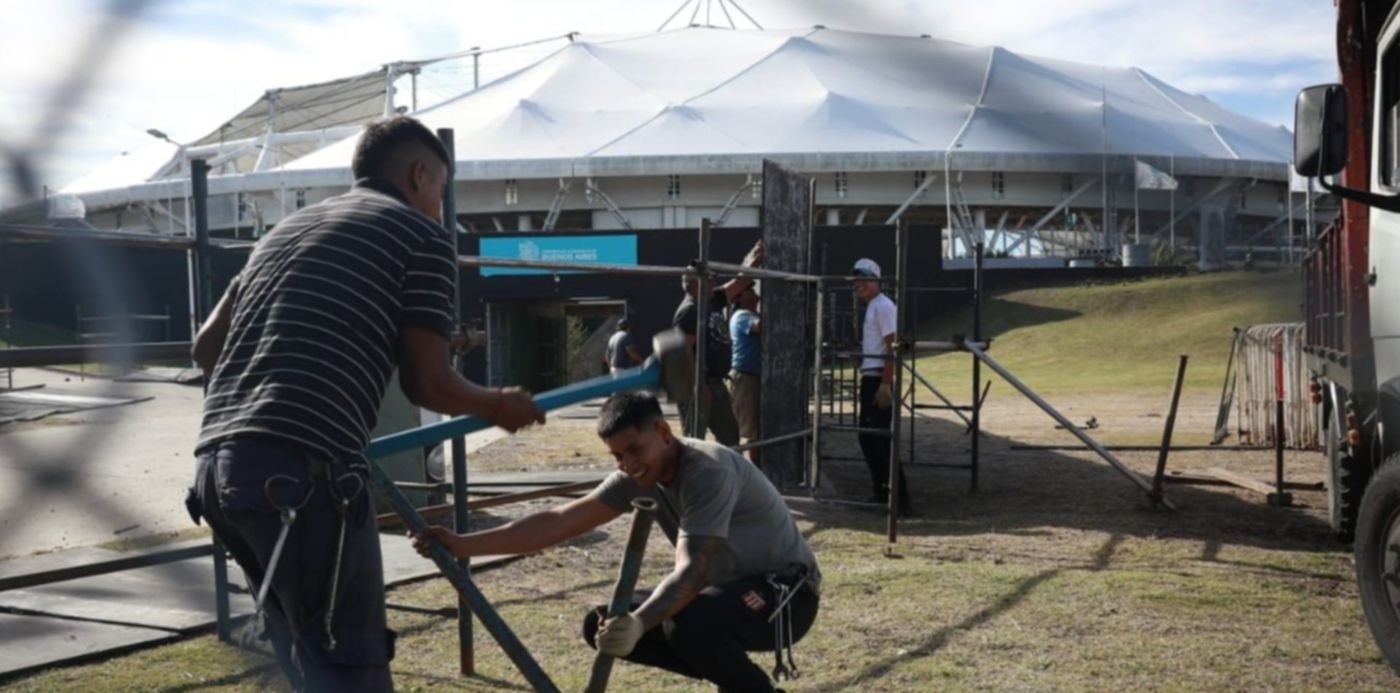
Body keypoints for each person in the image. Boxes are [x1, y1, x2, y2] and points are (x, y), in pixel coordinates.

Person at [186, 116, 545, 692]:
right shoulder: (419, 236)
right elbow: (428, 384)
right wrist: (497, 403)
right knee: (349, 664)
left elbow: (206, 348)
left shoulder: (283, 232)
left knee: (306, 661)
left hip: (217, 474)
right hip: (301, 477)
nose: (439, 208)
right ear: (419, 175)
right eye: (441, 190)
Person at [412, 391, 820, 693]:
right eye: (617, 457)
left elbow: (692, 573)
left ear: (663, 432)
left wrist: (640, 623)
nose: (628, 465)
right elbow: (559, 521)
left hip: (786, 596)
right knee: (602, 623)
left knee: (685, 625)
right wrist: (461, 544)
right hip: (725, 597)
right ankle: (737, 681)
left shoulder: (707, 472)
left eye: (634, 450)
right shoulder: (637, 475)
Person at [673, 240, 763, 446]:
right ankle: (693, 468)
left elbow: (739, 282)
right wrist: (699, 384)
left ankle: (726, 467)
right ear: (695, 284)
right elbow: (683, 354)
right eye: (710, 279)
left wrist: (755, 257)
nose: (714, 283)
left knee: (730, 436)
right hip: (697, 385)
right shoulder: (689, 311)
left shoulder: (711, 300)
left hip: (715, 382)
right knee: (695, 439)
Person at [852, 257, 910, 513]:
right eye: (856, 279)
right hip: (871, 375)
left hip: (877, 378)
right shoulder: (874, 306)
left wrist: (886, 384)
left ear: (876, 280)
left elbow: (893, 346)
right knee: (869, 437)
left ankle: (898, 497)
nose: (858, 283)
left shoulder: (883, 306)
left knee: (879, 438)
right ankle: (882, 491)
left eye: (864, 278)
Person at [728, 283, 762, 461]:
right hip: (745, 378)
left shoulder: (752, 314)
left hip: (752, 377)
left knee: (754, 429)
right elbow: (759, 327)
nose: (754, 292)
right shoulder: (742, 316)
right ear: (740, 298)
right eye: (749, 290)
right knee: (747, 430)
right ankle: (743, 467)